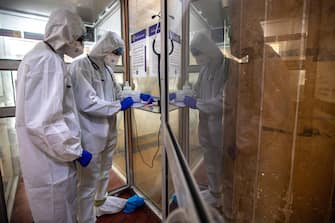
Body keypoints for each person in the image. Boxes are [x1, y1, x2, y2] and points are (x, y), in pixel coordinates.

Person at [15, 9, 92, 223]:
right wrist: (75, 151)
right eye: (78, 38)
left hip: (49, 158)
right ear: (65, 33)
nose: (80, 44)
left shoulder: (44, 56)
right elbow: (44, 124)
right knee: (59, 215)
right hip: (52, 165)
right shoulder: (47, 61)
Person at [69, 31, 151, 223]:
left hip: (108, 131)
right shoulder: (80, 66)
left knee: (104, 171)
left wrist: (139, 97)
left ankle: (101, 204)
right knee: (88, 182)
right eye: (116, 52)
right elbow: (87, 102)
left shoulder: (107, 69)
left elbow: (118, 94)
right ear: (105, 49)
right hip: (90, 133)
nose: (117, 57)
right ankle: (86, 219)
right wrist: (117, 106)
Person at [184, 33, 227, 208]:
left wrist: (198, 103)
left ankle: (224, 194)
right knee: (209, 156)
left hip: (221, 123)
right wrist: (182, 96)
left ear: (208, 50)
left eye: (198, 53)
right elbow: (196, 90)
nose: (197, 58)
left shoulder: (227, 67)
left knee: (223, 160)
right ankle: (214, 191)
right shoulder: (205, 69)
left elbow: (224, 101)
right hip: (206, 122)